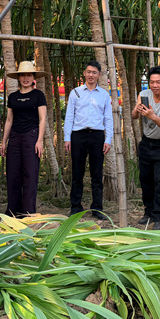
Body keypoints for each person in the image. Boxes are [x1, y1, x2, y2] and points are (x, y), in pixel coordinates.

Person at [64, 60, 112, 220]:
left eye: (94, 72)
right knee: (77, 172)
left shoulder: (104, 95)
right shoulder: (75, 92)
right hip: (78, 135)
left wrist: (108, 139)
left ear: (99, 75)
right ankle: (75, 207)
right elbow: (69, 116)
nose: (91, 75)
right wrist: (67, 138)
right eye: (88, 72)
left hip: (97, 136)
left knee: (97, 174)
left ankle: (97, 208)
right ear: (84, 73)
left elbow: (108, 118)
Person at [131, 66, 160, 231]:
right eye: (151, 82)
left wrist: (152, 115)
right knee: (146, 180)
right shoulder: (143, 95)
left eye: (158, 82)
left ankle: (159, 217)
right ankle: (148, 212)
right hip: (147, 143)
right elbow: (133, 115)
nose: (154, 85)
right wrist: (137, 111)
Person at [1, 61, 48, 217]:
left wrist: (39, 140)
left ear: (33, 77)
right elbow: (9, 120)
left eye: (29, 75)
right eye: (22, 75)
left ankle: (28, 212)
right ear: (18, 78)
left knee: (30, 174)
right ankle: (12, 211)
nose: (25, 78)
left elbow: (42, 119)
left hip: (31, 136)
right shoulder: (12, 97)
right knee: (13, 174)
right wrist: (3, 141)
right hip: (15, 138)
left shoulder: (38, 95)